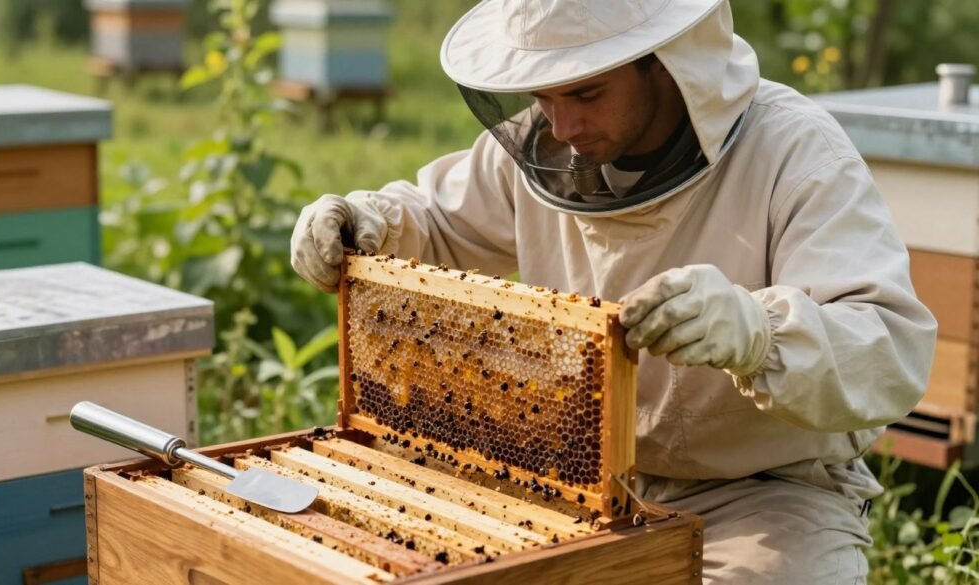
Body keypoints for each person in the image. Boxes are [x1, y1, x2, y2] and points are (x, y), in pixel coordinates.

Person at [290, 0, 937, 582]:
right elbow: (438, 220)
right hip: (577, 482)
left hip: (763, 494)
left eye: (588, 92)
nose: (564, 125)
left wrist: (760, 332)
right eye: (544, 97)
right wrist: (365, 220)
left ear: (665, 63)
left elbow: (891, 346)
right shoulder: (543, 142)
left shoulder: (795, 151)